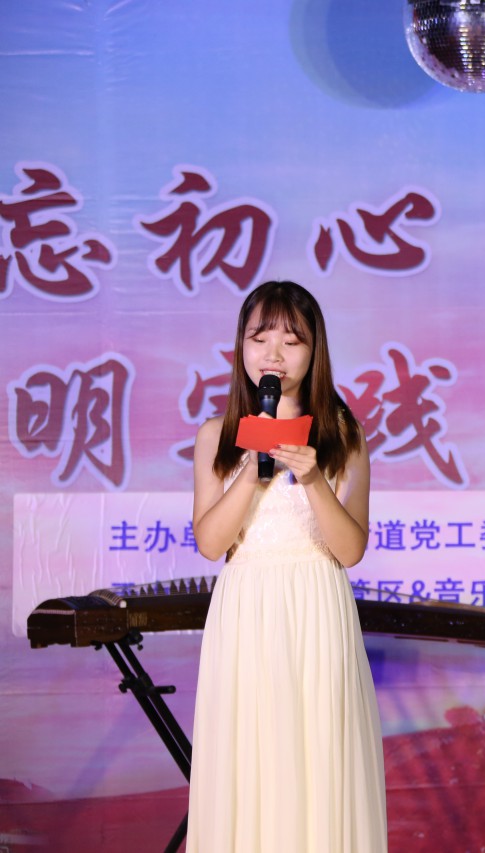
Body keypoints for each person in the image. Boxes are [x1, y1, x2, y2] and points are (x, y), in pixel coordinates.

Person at [188, 280, 387, 851]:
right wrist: (253, 470)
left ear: (314, 351)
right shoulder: (216, 436)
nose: (273, 354)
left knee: (318, 757)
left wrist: (313, 476)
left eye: (291, 341)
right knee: (250, 758)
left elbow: (350, 550)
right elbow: (211, 543)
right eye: (260, 338)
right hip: (247, 611)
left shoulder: (343, 433)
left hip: (317, 610)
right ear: (241, 347)